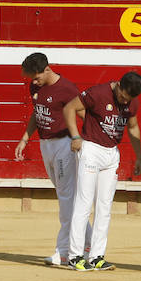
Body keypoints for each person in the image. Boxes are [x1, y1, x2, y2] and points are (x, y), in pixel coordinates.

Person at [15, 52, 91, 266]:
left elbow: (85, 116)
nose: (34, 82)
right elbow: (37, 113)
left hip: (64, 144)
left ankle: (64, 251)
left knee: (66, 198)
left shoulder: (67, 89)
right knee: (68, 197)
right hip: (45, 143)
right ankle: (88, 243)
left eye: (36, 77)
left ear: (47, 69)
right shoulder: (36, 87)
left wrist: (83, 141)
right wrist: (25, 138)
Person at [63, 71, 141, 271]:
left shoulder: (131, 102)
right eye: (123, 96)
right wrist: (75, 137)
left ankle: (97, 255)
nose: (125, 102)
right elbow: (69, 108)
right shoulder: (98, 93)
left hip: (111, 154)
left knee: (105, 206)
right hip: (91, 149)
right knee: (84, 202)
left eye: (129, 99)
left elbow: (133, 127)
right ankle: (74, 255)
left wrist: (139, 156)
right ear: (118, 86)